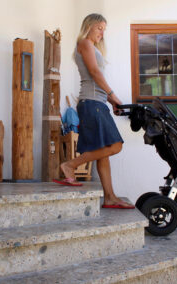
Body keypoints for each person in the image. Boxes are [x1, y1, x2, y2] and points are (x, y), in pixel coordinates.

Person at [53, 13, 134, 209]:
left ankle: (110, 197)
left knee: (102, 153)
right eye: (99, 28)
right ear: (88, 26)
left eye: (104, 29)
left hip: (96, 102)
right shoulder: (84, 43)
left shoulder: (92, 47)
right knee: (115, 146)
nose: (102, 33)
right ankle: (70, 165)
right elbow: (95, 73)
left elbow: (95, 81)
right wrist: (113, 94)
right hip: (91, 103)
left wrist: (110, 100)